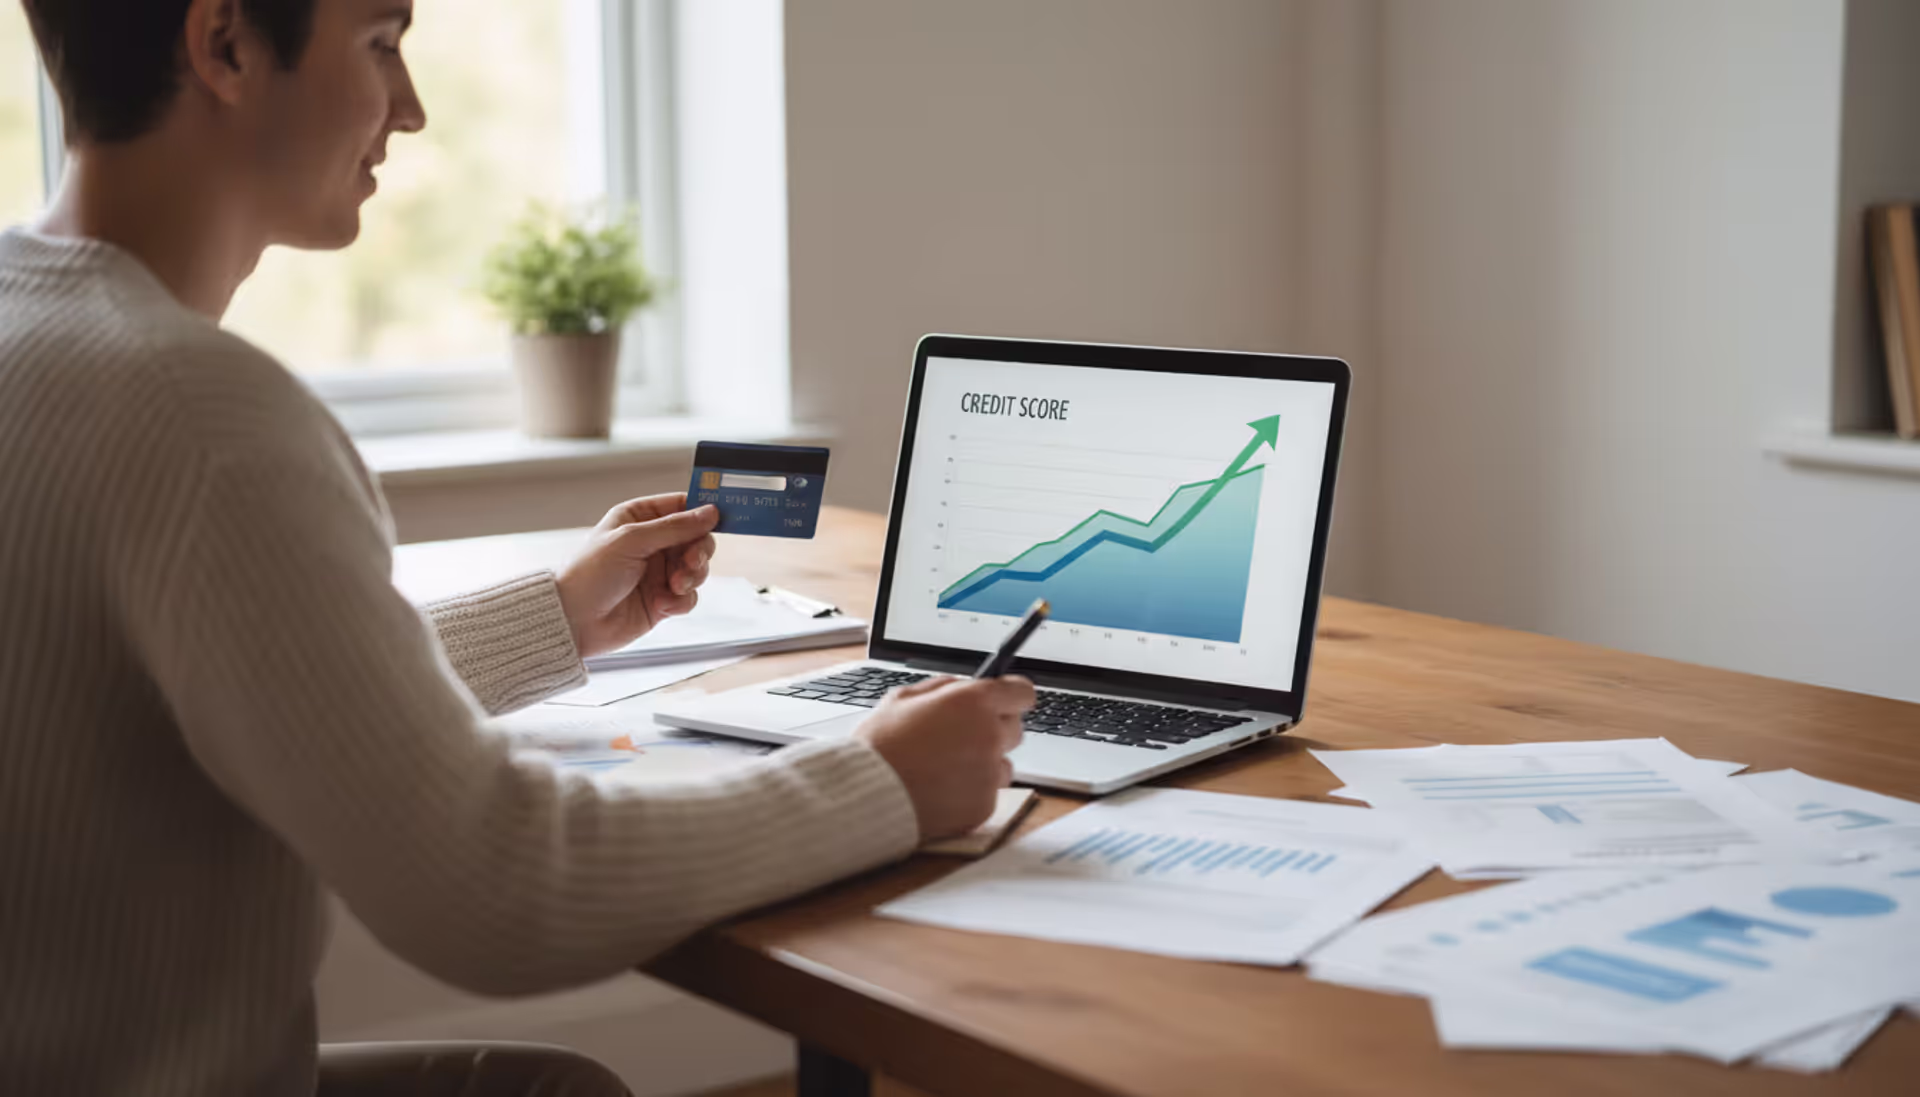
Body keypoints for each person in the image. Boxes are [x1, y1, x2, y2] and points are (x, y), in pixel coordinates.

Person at [0, 1, 1035, 1094]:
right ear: (225, 47)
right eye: (382, 43)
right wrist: (882, 780)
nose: (412, 109)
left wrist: (552, 617)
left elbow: (256, 692)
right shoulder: (202, 417)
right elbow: (499, 885)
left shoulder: (31, 323)